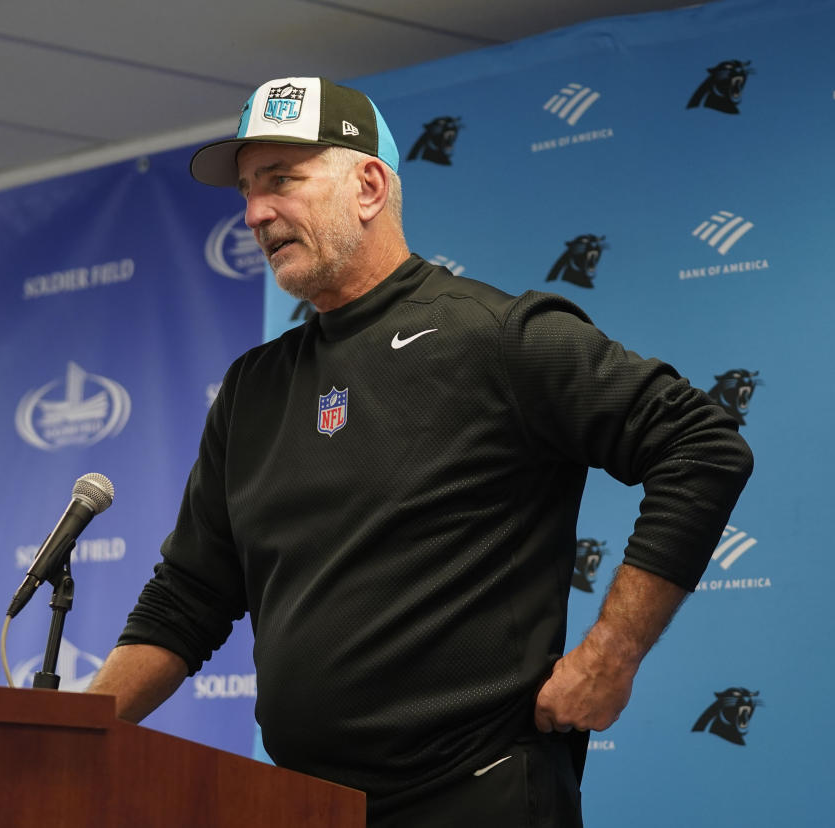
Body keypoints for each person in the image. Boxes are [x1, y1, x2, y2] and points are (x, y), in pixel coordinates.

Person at [87, 77, 753, 826]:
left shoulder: (495, 337)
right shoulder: (253, 388)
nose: (254, 213)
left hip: (480, 791)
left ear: (368, 185)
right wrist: (70, 734)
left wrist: (611, 654)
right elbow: (190, 597)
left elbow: (701, 445)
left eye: (282, 181)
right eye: (246, 191)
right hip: (305, 802)